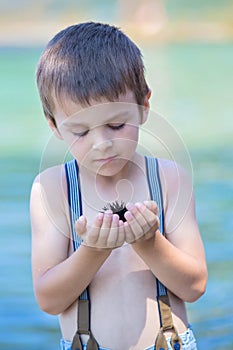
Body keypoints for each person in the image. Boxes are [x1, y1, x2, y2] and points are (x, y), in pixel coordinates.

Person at [30, 22, 207, 350]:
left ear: (144, 106)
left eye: (116, 124)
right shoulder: (52, 189)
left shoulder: (169, 179)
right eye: (81, 132)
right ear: (54, 126)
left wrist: (149, 244)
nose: (102, 144)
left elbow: (195, 287)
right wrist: (94, 251)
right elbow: (49, 299)